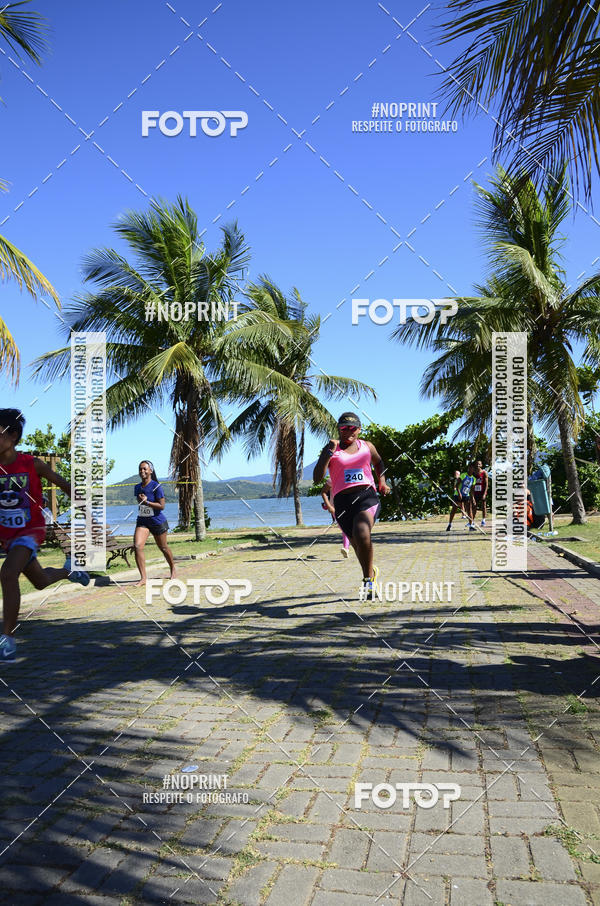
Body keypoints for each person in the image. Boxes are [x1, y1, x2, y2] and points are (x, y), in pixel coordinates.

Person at [0, 409, 89, 663]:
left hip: (31, 530)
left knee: (7, 574)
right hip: (8, 536)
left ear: (13, 435)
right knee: (39, 581)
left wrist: (89, 513)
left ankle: (7, 640)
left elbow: (64, 485)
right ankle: (71, 572)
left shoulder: (31, 463)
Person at [313, 412, 390, 599]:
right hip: (342, 503)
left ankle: (367, 582)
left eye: (352, 428)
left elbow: (379, 463)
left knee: (362, 531)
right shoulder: (332, 449)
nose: (348, 431)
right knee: (357, 544)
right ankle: (371, 572)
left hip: (366, 496)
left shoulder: (366, 446)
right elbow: (317, 478)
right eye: (344, 428)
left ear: (359, 429)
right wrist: (327, 453)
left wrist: (382, 481)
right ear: (338, 429)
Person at [133, 460, 175, 587]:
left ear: (151, 471)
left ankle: (173, 569)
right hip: (143, 521)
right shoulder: (137, 487)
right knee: (137, 546)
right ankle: (143, 578)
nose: (142, 471)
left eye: (145, 469)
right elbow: (140, 504)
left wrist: (147, 502)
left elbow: (162, 506)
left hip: (157, 522)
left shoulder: (157, 486)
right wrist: (143, 503)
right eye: (140, 469)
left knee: (163, 547)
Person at [321, 479, 350, 558]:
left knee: (346, 528)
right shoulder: (331, 480)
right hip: (334, 508)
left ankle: (346, 547)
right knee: (344, 528)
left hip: (347, 507)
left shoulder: (348, 477)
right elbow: (324, 493)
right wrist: (328, 505)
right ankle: (347, 547)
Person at [446, 465, 474, 531]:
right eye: (469, 469)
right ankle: (449, 524)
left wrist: (472, 498)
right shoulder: (463, 475)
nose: (470, 470)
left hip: (466, 495)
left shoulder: (473, 479)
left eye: (472, 469)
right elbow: (457, 485)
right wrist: (459, 494)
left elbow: (472, 489)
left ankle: (471, 525)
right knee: (454, 510)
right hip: (458, 495)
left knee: (469, 510)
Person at [470, 460, 489, 528]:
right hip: (475, 492)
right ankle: (472, 521)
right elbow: (471, 484)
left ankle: (483, 520)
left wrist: (485, 493)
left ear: (481, 465)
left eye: (479, 464)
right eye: (477, 464)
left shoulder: (484, 473)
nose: (478, 465)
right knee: (474, 506)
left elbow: (486, 484)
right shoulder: (473, 473)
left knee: (483, 506)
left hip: (482, 492)